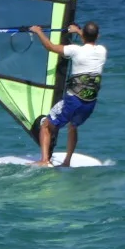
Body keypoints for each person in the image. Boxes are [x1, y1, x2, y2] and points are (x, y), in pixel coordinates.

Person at [27, 21, 106, 166]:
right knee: (73, 126)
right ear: (98, 36)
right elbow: (89, 39)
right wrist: (77, 31)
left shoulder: (75, 50)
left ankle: (44, 160)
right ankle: (67, 162)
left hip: (73, 100)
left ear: (84, 35)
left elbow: (50, 47)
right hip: (90, 102)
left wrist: (38, 31)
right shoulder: (102, 51)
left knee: (45, 125)